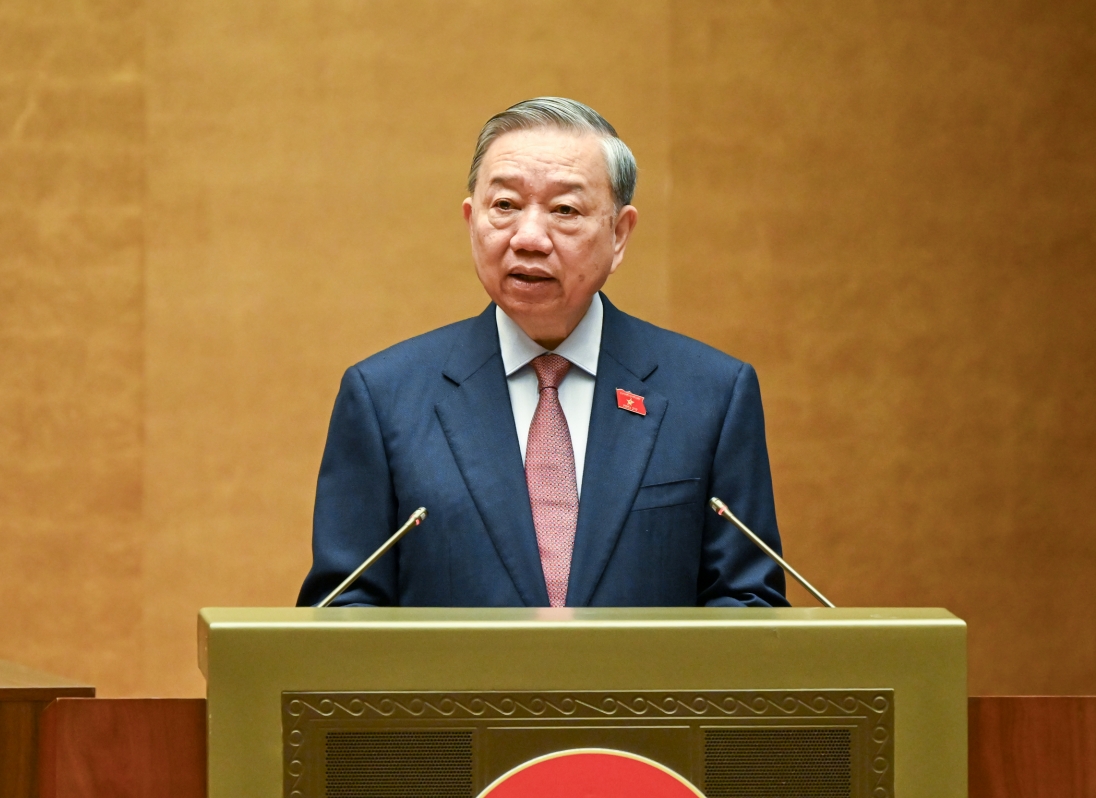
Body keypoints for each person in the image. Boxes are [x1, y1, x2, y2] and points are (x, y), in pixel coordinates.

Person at [297, 97, 787, 608]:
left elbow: (748, 605)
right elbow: (342, 614)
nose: (529, 238)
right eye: (504, 206)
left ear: (619, 235)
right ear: (471, 220)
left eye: (565, 210)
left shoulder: (710, 394)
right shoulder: (383, 398)